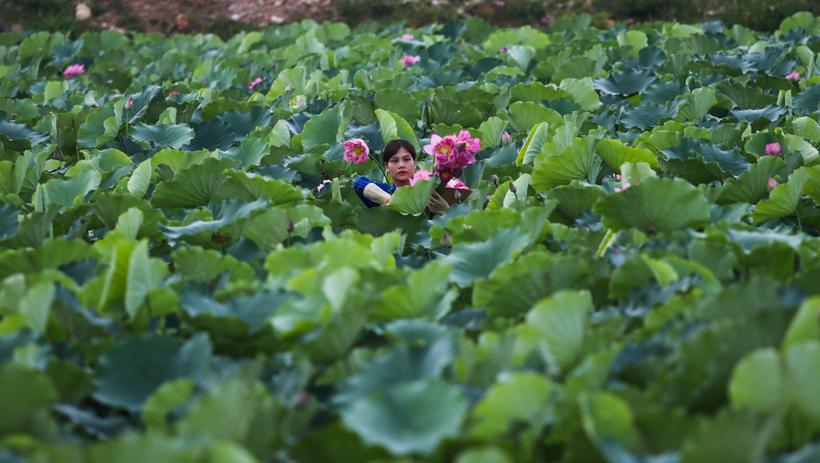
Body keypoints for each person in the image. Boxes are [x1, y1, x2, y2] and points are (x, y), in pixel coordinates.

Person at [353, 139, 449, 214]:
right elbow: (358, 183)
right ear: (386, 167)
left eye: (406, 159)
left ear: (415, 163)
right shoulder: (387, 190)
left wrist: (446, 211)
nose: (401, 165)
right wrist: (392, 201)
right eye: (394, 161)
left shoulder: (430, 191)